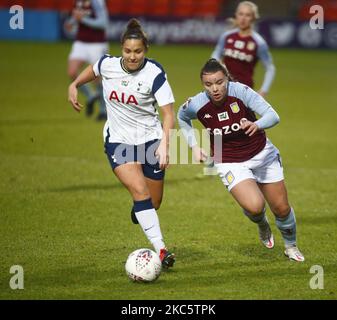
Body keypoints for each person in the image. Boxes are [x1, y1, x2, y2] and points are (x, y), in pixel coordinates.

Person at [68, 19, 176, 268]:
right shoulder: (108, 64)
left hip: (150, 141)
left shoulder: (155, 73)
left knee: (153, 202)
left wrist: (165, 145)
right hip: (119, 141)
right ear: (121, 49)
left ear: (145, 50)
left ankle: (141, 209)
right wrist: (74, 85)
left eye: (138, 51)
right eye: (128, 51)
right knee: (140, 191)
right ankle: (161, 250)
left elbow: (169, 114)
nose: (132, 56)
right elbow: (92, 70)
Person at [178, 59, 304, 262]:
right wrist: (193, 145)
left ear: (227, 79)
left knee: (281, 208)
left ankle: (291, 246)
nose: (215, 88)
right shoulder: (197, 103)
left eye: (219, 82)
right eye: (208, 84)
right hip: (229, 160)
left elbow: (273, 116)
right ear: (203, 85)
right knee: (255, 207)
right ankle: (262, 224)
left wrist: (258, 125)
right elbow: (182, 117)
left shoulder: (242, 92)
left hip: (262, 154)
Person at [212, 1, 275, 97]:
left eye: (247, 15)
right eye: (241, 14)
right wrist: (217, 63)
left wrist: (264, 90)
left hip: (244, 92)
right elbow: (216, 53)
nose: (243, 18)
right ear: (236, 15)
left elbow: (270, 68)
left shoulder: (258, 42)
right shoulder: (227, 36)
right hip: (222, 88)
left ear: (253, 18)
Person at [66, 0, 109, 121]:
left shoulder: (97, 2)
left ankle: (103, 111)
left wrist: (82, 20)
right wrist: (71, 22)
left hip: (97, 43)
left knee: (97, 78)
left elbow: (103, 23)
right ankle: (91, 96)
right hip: (80, 42)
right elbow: (76, 19)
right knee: (72, 71)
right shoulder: (77, 2)